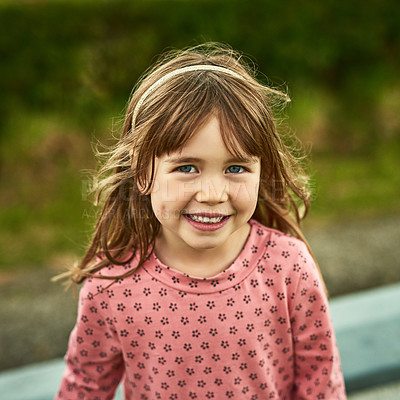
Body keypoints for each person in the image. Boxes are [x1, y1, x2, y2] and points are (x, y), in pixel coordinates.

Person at [55, 43, 346, 399]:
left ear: (261, 170)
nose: (212, 193)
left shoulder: (288, 267)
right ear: (143, 169)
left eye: (235, 168)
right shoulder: (110, 286)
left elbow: (321, 382)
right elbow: (84, 387)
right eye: (187, 167)